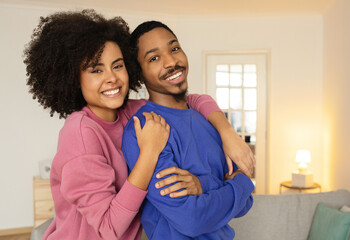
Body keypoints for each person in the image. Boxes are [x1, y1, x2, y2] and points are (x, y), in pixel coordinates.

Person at [23, 10, 253, 240]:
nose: (111, 77)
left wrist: (227, 132)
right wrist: (150, 152)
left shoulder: (127, 111)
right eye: (96, 70)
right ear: (74, 78)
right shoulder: (80, 133)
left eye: (117, 65)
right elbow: (107, 228)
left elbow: (189, 100)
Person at [122, 21, 255, 239]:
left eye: (174, 48)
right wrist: (239, 182)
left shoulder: (209, 120)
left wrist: (203, 185)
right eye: (154, 58)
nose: (171, 61)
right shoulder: (145, 128)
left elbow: (245, 204)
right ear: (139, 74)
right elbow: (192, 219)